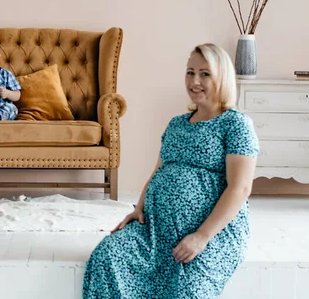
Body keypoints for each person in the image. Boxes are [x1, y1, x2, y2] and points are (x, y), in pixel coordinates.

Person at [83, 44, 259, 298]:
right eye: (190, 72)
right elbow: (159, 171)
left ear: (223, 76)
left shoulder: (236, 124)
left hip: (211, 232)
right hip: (156, 230)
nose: (194, 81)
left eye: (205, 74)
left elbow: (240, 188)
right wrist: (139, 208)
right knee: (107, 255)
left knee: (188, 289)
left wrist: (201, 236)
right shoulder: (176, 124)